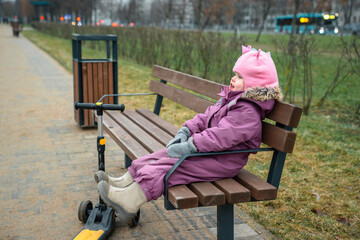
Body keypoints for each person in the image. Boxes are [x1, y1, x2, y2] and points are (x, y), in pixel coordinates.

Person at [95, 45, 282, 222]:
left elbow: (219, 137)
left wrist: (191, 146)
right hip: (210, 152)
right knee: (164, 153)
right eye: (235, 74)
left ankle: (129, 202)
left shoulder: (247, 113)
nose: (233, 79)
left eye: (240, 77)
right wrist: (186, 130)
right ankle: (125, 181)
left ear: (255, 85)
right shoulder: (232, 100)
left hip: (222, 160)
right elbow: (204, 117)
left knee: (171, 166)